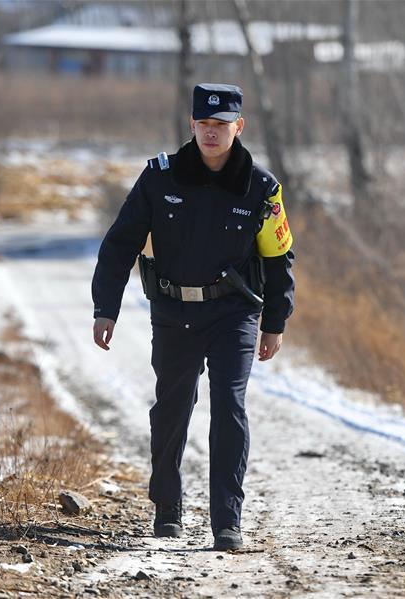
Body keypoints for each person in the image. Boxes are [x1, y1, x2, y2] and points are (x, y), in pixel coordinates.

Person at [91, 83, 294, 551]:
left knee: (229, 407)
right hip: (174, 310)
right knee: (172, 408)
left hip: (235, 313)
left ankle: (228, 520)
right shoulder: (160, 178)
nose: (211, 133)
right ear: (192, 125)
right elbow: (120, 242)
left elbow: (280, 257)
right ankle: (168, 508)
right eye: (203, 124)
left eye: (221, 126)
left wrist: (276, 321)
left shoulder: (261, 188)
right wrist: (106, 308)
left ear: (238, 128)